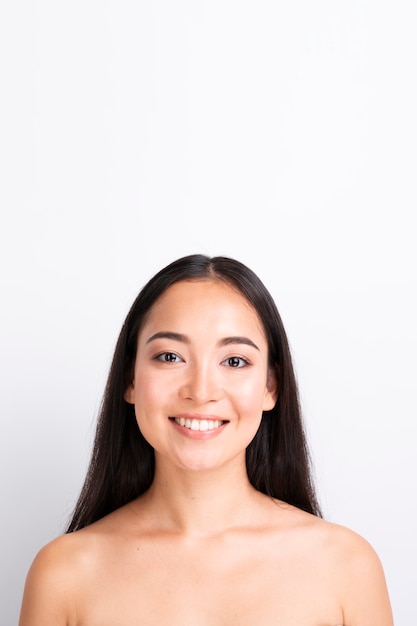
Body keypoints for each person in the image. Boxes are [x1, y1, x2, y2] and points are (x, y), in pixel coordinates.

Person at [19, 254, 393, 625]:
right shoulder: (63, 574)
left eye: (234, 361)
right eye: (170, 356)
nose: (200, 392)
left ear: (271, 386)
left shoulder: (346, 567)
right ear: (130, 379)